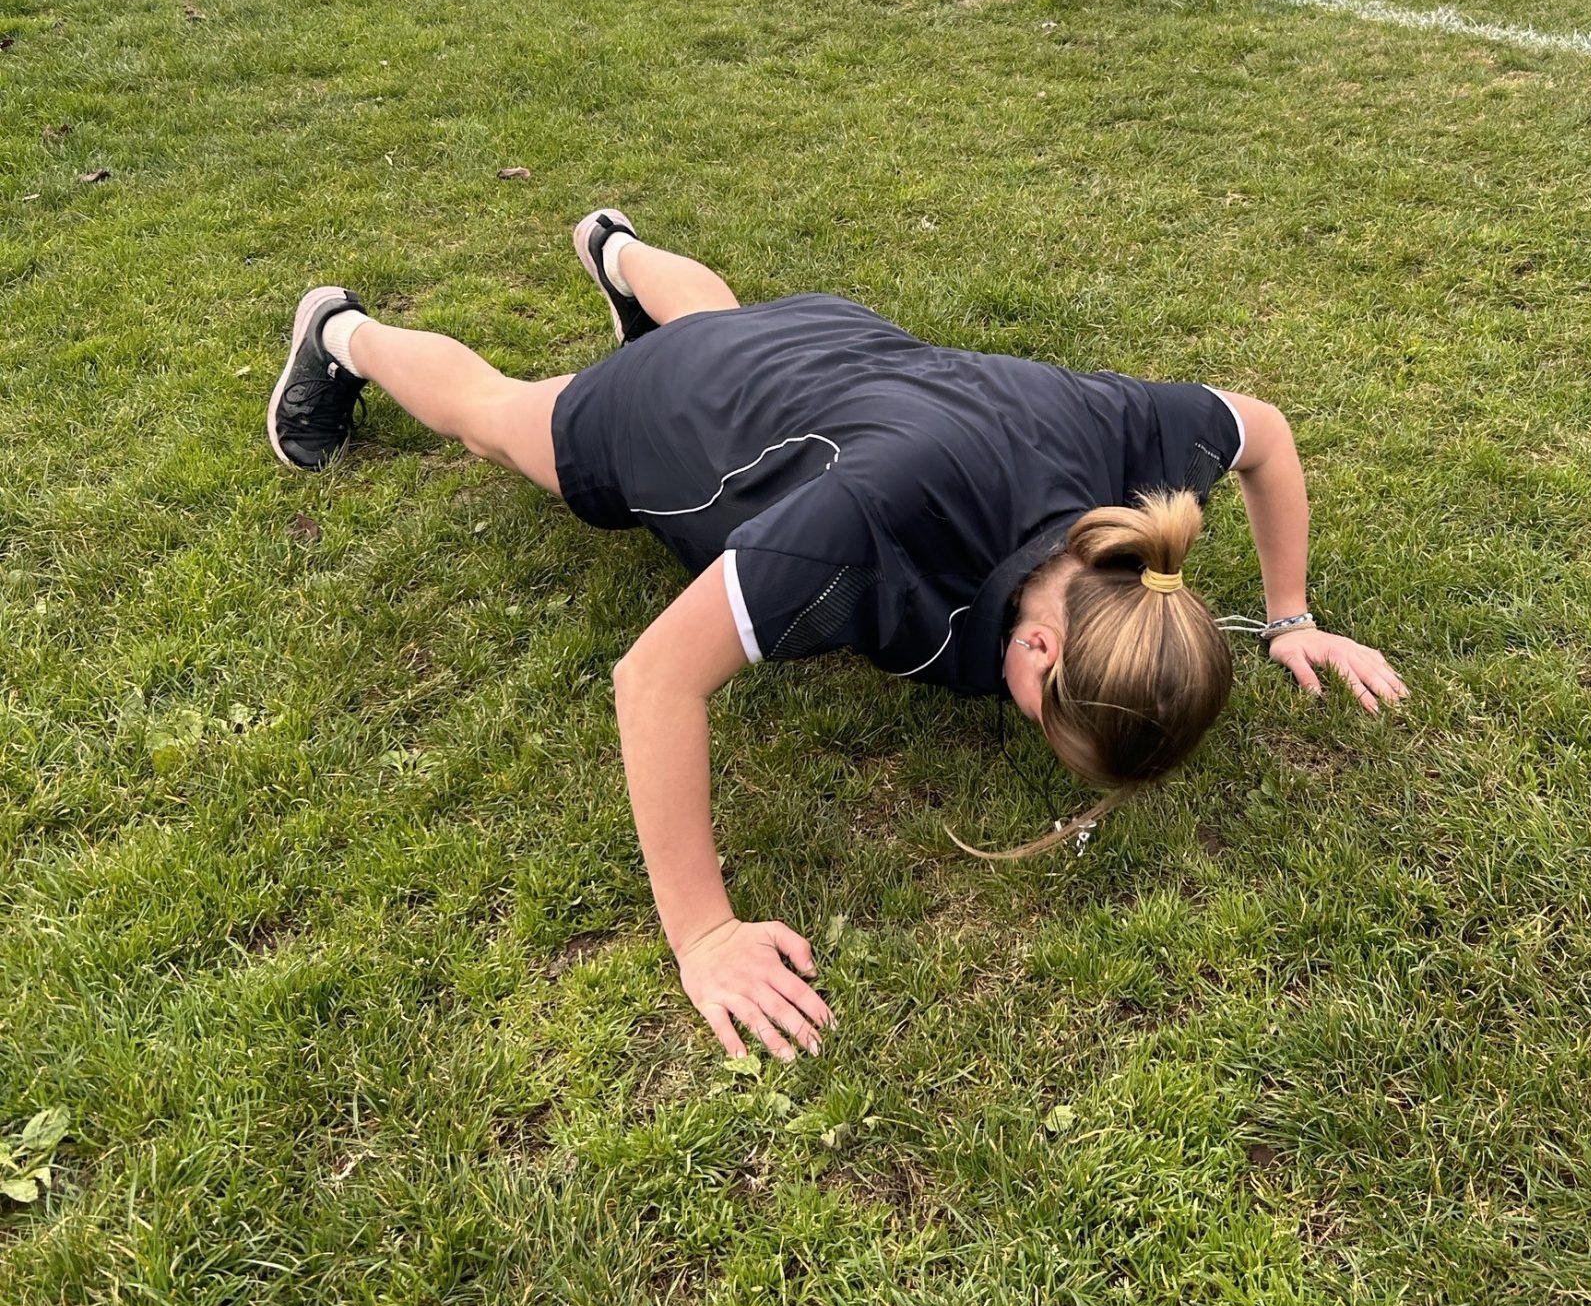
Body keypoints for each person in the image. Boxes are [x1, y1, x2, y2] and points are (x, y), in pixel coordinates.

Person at [267, 210, 1406, 1058]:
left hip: (829, 344)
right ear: (1041, 653)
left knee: (728, 328)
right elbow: (654, 678)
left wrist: (1292, 618)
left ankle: (617, 252)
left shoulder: (1129, 454)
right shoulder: (863, 525)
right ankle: (345, 334)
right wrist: (704, 934)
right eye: (1046, 727)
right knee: (500, 418)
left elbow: (1264, 433)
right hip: (690, 408)